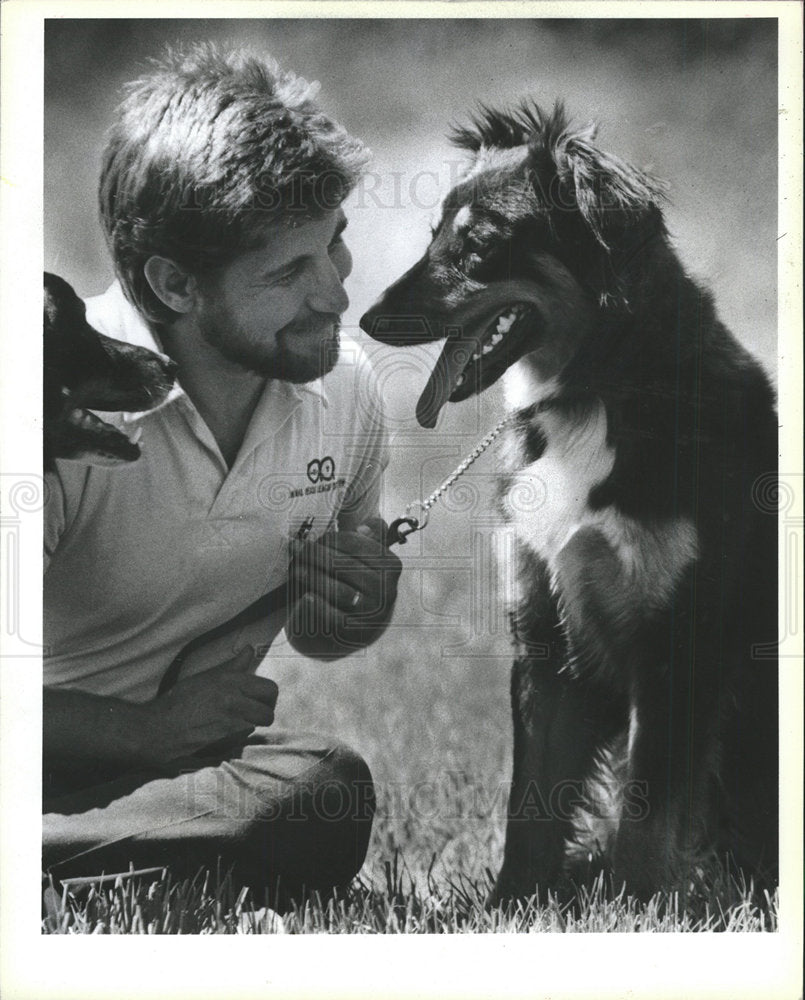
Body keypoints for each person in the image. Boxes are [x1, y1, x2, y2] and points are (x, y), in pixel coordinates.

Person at [42, 44, 402, 907]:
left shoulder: (345, 391)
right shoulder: (48, 397)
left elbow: (318, 633)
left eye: (334, 245)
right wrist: (142, 731)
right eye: (288, 272)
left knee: (317, 791)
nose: (335, 297)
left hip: (159, 780)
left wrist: (352, 609)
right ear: (173, 284)